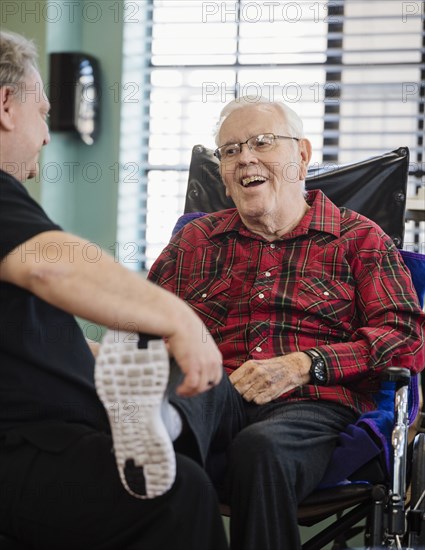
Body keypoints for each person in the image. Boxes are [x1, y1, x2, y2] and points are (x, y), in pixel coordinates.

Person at [147, 95, 425, 550]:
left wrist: (303, 364)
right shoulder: (195, 241)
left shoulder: (359, 239)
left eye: (262, 142)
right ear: (221, 172)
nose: (245, 158)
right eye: (231, 150)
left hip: (311, 402)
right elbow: (144, 326)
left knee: (261, 450)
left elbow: (404, 340)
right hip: (213, 391)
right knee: (167, 417)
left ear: (302, 154)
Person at [0, 30, 229, 550]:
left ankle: (158, 416)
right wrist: (180, 320)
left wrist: (95, 356)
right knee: (175, 494)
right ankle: (159, 420)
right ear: (6, 106)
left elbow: (19, 333)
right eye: (43, 112)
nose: (43, 136)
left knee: (207, 407)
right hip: (22, 442)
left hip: (45, 426)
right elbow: (52, 266)